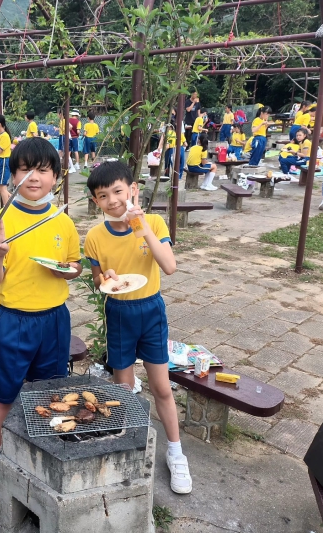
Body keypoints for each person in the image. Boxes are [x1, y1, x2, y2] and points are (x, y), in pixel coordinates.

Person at [0, 137, 81, 508]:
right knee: (2, 394)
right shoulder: (1, 221)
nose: (33, 177)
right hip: (12, 319)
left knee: (48, 392)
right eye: (24, 169)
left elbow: (74, 265)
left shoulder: (63, 221)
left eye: (42, 169)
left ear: (55, 176)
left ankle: (43, 451)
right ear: (13, 175)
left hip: (54, 320)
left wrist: (68, 271)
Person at [84, 161, 192, 496]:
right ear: (96, 201)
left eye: (118, 191)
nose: (112, 200)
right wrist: (106, 277)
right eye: (103, 196)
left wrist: (141, 227)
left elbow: (169, 266)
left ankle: (176, 452)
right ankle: (127, 447)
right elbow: (99, 279)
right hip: (118, 312)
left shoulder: (154, 222)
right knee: (124, 387)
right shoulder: (95, 236)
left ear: (132, 189)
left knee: (161, 387)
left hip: (150, 310)